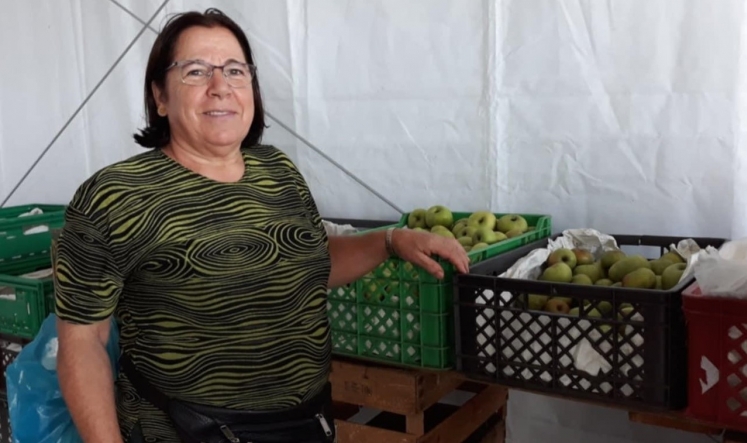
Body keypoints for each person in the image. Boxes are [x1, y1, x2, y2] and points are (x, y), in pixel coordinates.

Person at [53, 8, 469, 443]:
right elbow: (83, 341)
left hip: (303, 425)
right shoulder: (115, 194)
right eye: (196, 71)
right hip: (183, 429)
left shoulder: (278, 171)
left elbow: (314, 261)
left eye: (235, 70)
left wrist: (390, 241)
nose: (221, 87)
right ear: (159, 95)